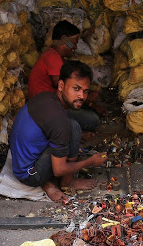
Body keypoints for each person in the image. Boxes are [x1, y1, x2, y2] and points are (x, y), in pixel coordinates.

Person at [10, 60, 106, 203]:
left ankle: (54, 183)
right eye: (76, 89)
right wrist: (89, 162)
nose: (82, 96)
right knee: (72, 128)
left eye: (85, 91)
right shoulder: (59, 122)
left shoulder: (46, 97)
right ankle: (67, 182)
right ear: (61, 85)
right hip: (29, 174)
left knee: (71, 126)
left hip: (20, 159)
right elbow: (59, 170)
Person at [28, 20, 101, 133]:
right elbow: (65, 91)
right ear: (63, 39)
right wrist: (88, 99)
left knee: (86, 110)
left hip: (48, 103)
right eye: (74, 43)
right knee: (93, 120)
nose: (75, 47)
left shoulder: (53, 55)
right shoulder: (53, 58)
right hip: (46, 109)